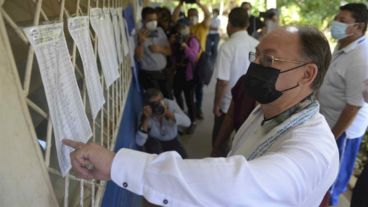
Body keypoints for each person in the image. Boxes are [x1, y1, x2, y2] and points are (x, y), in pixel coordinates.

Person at [63, 26, 339, 207]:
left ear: (307, 74)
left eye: (269, 60)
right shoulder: (266, 110)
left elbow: (237, 186)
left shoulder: (314, 150)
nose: (254, 66)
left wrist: (117, 164)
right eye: (255, 56)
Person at [318, 3, 368, 206]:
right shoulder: (343, 46)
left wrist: (332, 136)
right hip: (328, 123)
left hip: (342, 132)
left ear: (359, 26)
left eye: (342, 20)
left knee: (333, 184)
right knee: (321, 179)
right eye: (336, 18)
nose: (335, 23)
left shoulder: (360, 58)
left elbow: (353, 106)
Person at [212, 7, 258, 145]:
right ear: (248, 24)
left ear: (229, 24)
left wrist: (217, 104)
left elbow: (222, 82)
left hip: (227, 105)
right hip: (250, 104)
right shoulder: (257, 45)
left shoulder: (228, 47)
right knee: (241, 143)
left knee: (219, 142)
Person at [173, 0, 211, 120]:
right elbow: (174, 19)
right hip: (187, 63)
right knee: (188, 90)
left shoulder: (202, 27)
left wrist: (198, 3)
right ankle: (191, 110)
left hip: (199, 61)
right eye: (190, 15)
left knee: (198, 88)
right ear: (187, 17)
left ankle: (198, 109)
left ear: (198, 16)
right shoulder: (185, 27)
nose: (193, 17)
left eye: (195, 15)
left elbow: (208, 15)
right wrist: (180, 4)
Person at [136, 88, 189, 158]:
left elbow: (188, 123)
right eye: (154, 104)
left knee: (183, 158)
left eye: (159, 102)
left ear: (164, 100)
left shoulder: (170, 104)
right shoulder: (145, 113)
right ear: (147, 105)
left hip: (172, 139)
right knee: (157, 158)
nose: (158, 106)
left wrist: (167, 113)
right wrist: (146, 119)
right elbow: (140, 142)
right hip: (155, 141)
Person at [171, 20, 200, 134]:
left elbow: (193, 57)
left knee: (189, 98)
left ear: (189, 27)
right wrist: (172, 43)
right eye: (180, 27)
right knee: (177, 94)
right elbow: (173, 55)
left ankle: (193, 121)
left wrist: (185, 46)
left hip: (189, 74)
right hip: (178, 72)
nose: (182, 29)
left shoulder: (192, 40)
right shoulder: (176, 38)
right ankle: (182, 117)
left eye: (184, 27)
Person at [135, 7, 172, 98]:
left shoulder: (160, 31)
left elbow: (169, 51)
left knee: (168, 100)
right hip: (149, 76)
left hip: (163, 73)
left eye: (155, 19)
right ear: (143, 21)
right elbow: (138, 58)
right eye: (150, 20)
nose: (153, 22)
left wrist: (159, 49)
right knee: (156, 103)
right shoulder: (138, 34)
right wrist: (141, 43)